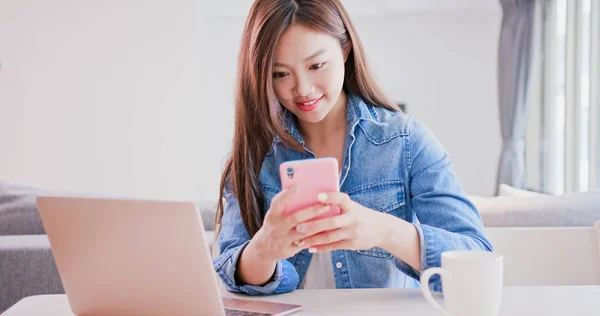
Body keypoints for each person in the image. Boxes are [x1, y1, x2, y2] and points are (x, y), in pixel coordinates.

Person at [212, 0, 492, 295]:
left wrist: (384, 231)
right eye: (280, 74)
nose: (303, 89)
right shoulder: (255, 154)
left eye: (316, 65)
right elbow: (232, 272)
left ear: (345, 50)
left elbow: (477, 261)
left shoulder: (407, 142)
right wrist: (265, 248)